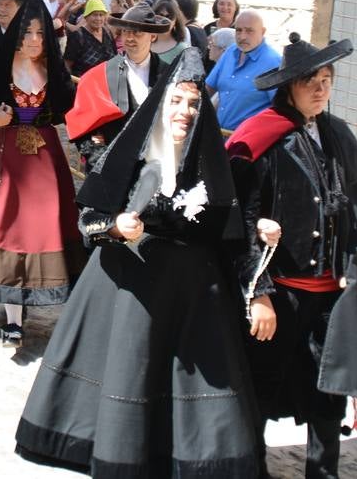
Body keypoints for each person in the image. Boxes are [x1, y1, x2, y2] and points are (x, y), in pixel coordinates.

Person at [15, 47, 273, 476]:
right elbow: (88, 221)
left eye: (194, 104)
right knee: (130, 374)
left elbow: (236, 238)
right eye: (176, 100)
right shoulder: (130, 156)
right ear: (162, 101)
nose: (184, 111)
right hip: (129, 295)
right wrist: (116, 226)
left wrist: (259, 290)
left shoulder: (217, 167)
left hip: (193, 301)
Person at [227, 34, 357, 479]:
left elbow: (355, 209)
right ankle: (252, 469)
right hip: (282, 295)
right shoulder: (261, 136)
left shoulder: (338, 136)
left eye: (326, 80)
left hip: (331, 294)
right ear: (288, 87)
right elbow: (242, 220)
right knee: (261, 386)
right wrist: (258, 293)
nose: (320, 89)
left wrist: (354, 269)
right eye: (310, 82)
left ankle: (323, 472)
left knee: (329, 391)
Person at [0, 0, 85, 347]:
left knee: (41, 228)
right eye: (28, 33)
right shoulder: (0, 68)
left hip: (44, 158)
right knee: (6, 228)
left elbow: (74, 108)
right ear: (18, 35)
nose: (34, 40)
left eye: (40, 33)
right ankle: (12, 318)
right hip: (2, 156)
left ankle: (33, 292)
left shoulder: (54, 72)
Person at [66, 2, 171, 172]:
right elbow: (87, 128)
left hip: (153, 167)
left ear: (152, 36)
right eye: (125, 32)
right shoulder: (100, 75)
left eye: (137, 32)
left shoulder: (168, 75)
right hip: (110, 166)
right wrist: (99, 157)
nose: (129, 38)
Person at [206, 10, 281, 131]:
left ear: (262, 32)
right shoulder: (230, 52)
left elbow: (281, 110)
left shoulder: (273, 62)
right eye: (238, 30)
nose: (242, 36)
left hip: (248, 139)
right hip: (218, 135)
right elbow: (208, 89)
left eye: (249, 31)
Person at [61, 0, 114, 80]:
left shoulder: (107, 32)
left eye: (101, 15)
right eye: (94, 15)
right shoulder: (78, 36)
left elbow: (114, 58)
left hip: (107, 83)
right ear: (86, 17)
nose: (98, 18)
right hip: (84, 83)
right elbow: (67, 64)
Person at [203, 0, 241, 72]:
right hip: (209, 72)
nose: (225, 7)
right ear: (216, 6)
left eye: (229, 4)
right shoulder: (208, 28)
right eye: (221, 4)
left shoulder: (240, 30)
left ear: (235, 8)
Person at [149, 0, 191, 66]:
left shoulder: (183, 50)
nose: (163, 20)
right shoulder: (144, 43)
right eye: (160, 15)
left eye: (169, 17)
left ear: (175, 21)